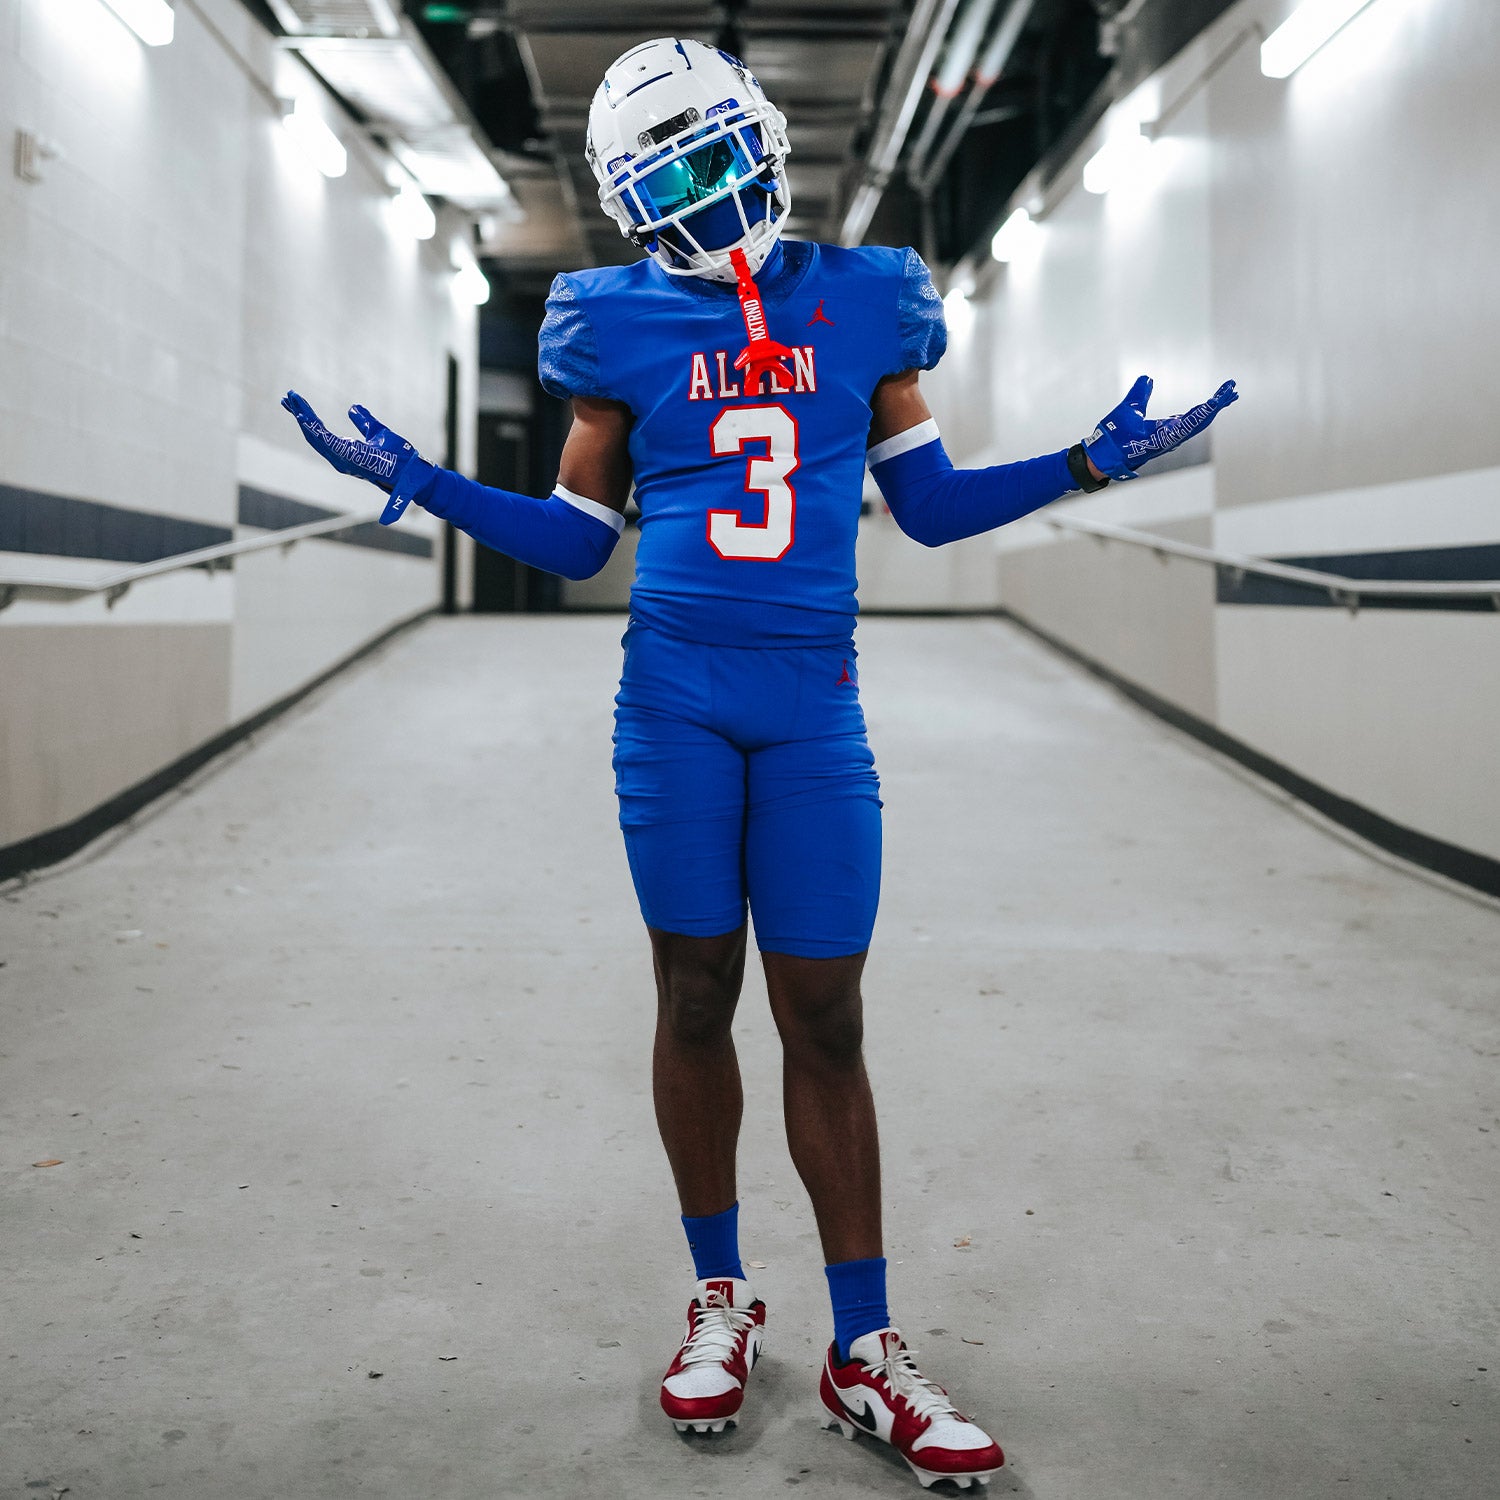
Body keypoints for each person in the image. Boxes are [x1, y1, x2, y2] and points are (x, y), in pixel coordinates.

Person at [282, 36, 1237, 1491]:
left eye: (724, 158)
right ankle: (720, 1297)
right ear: (625, 200)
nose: (715, 196)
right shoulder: (607, 321)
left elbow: (925, 508)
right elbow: (576, 538)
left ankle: (868, 1344)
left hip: (812, 705)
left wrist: (1087, 466)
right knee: (691, 993)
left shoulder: (866, 297)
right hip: (669, 700)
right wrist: (420, 483)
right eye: (676, 177)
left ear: (766, 146)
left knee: (831, 1019)